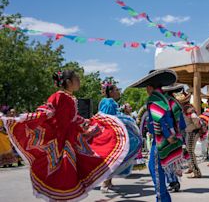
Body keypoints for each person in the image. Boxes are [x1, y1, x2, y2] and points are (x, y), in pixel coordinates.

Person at [0, 70, 130, 201]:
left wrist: (87, 123)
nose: (79, 82)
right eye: (77, 79)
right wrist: (25, 118)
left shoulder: (70, 98)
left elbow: (72, 118)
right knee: (62, 173)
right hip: (60, 142)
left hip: (72, 140)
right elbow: (47, 110)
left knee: (69, 172)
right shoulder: (58, 96)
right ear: (68, 82)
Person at [129, 69, 187, 202]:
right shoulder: (170, 100)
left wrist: (167, 134)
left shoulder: (154, 99)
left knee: (157, 174)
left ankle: (162, 200)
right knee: (159, 172)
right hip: (172, 142)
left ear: (150, 87)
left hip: (160, 143)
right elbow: (182, 124)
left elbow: (159, 119)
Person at [98, 81, 142, 192]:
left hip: (111, 134)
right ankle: (105, 183)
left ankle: (108, 182)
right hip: (110, 134)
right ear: (111, 92)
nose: (118, 92)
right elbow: (109, 118)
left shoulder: (109, 102)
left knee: (114, 158)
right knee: (112, 158)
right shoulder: (108, 102)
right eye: (117, 90)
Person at [162, 83, 188, 192]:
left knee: (169, 159)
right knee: (173, 159)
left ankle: (173, 182)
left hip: (169, 134)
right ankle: (174, 181)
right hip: (177, 133)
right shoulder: (175, 102)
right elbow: (182, 123)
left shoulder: (165, 102)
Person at [175, 90, 202, 178]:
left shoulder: (187, 108)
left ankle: (196, 172)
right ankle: (191, 168)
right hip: (190, 131)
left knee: (190, 151)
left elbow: (195, 118)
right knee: (188, 150)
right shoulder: (187, 108)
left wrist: (196, 126)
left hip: (192, 132)